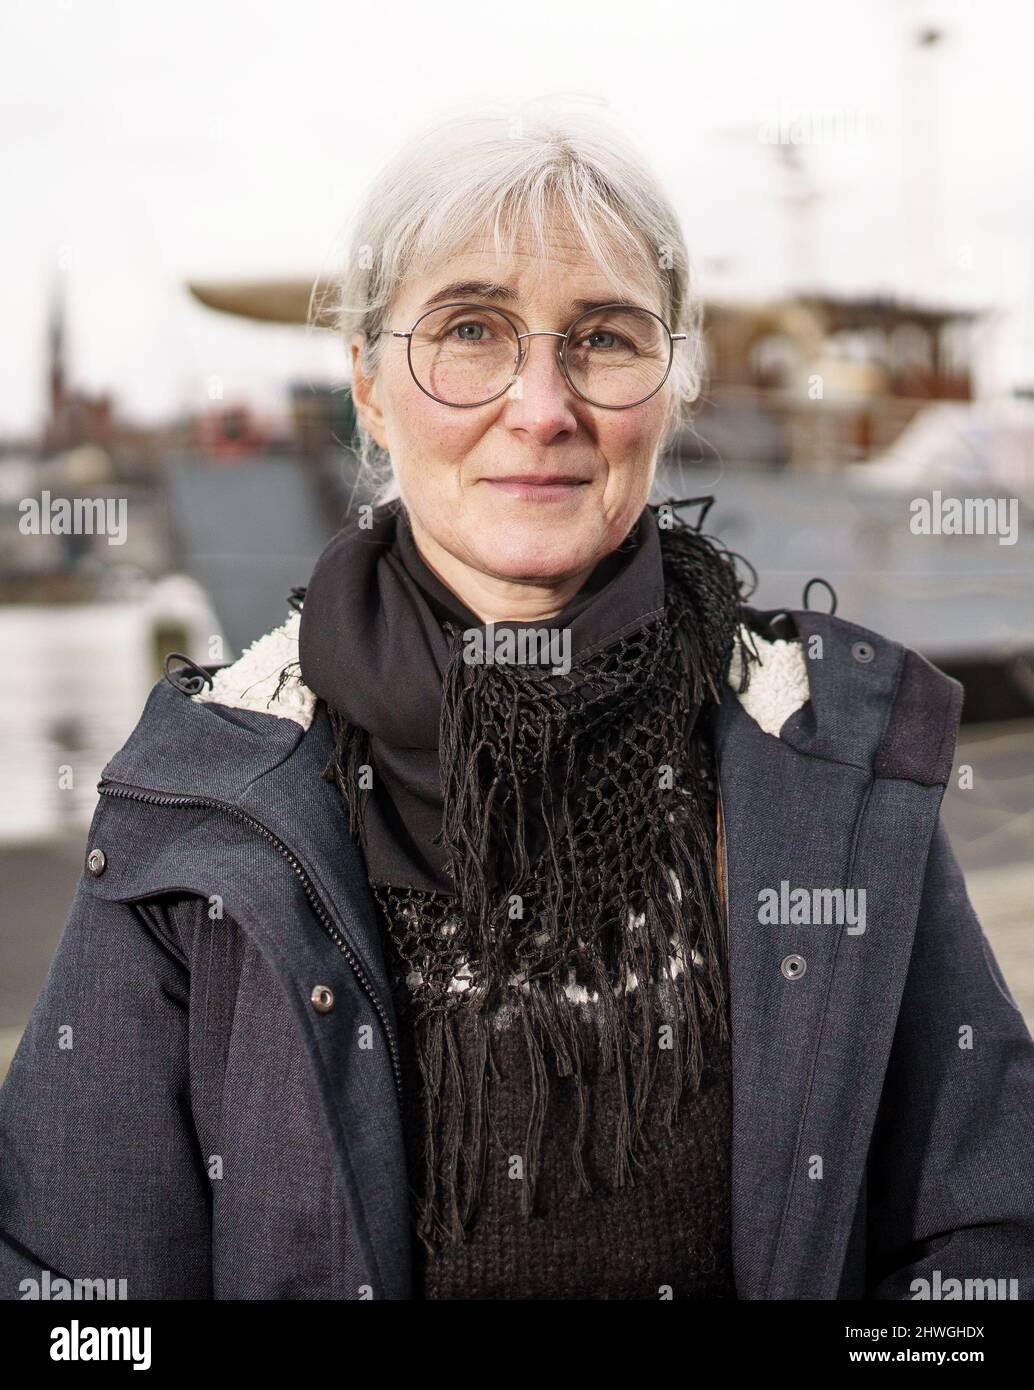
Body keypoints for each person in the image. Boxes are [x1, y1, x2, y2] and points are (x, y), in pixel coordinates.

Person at [2, 109, 1033, 1302]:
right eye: (471, 330)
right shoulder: (194, 804)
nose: (539, 407)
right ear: (370, 389)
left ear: (671, 387)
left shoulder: (836, 762)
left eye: (600, 338)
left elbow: (986, 1238)